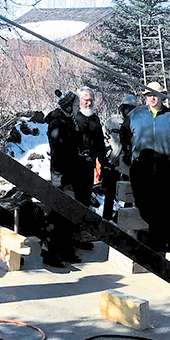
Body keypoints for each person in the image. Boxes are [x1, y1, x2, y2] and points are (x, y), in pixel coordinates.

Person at [120, 81, 170, 253]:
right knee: (144, 206)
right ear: (145, 97)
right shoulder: (136, 114)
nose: (152, 98)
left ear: (162, 97)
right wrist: (130, 153)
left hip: (165, 171)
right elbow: (123, 134)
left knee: (164, 209)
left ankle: (158, 246)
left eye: (155, 95)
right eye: (149, 95)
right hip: (141, 170)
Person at [42, 89, 80, 267]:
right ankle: (49, 252)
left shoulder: (68, 120)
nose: (77, 108)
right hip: (61, 174)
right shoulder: (57, 121)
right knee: (57, 213)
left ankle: (66, 250)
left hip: (70, 171)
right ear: (68, 106)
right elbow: (59, 149)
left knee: (68, 213)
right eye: (75, 105)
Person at [72, 87, 108, 237]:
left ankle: (82, 232)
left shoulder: (94, 118)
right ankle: (73, 233)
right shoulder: (73, 117)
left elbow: (99, 141)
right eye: (86, 100)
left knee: (85, 198)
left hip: (89, 164)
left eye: (91, 100)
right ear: (79, 101)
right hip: (75, 165)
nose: (89, 103)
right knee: (74, 199)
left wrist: (103, 161)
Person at [101, 94, 138, 219]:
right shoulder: (112, 121)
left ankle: (124, 218)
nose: (128, 111)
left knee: (129, 192)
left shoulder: (137, 124)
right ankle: (106, 219)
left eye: (131, 109)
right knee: (110, 193)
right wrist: (107, 151)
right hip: (113, 162)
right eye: (126, 108)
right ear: (122, 108)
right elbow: (103, 136)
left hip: (129, 163)